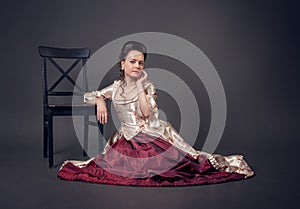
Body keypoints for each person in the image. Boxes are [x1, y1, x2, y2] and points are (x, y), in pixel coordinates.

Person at [58, 41, 254, 186]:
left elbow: (146, 113)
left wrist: (142, 85)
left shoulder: (149, 86)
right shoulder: (116, 87)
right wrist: (100, 100)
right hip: (125, 137)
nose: (137, 66)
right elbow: (87, 96)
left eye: (141, 63)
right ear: (122, 64)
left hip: (150, 133)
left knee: (166, 169)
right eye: (133, 62)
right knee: (111, 168)